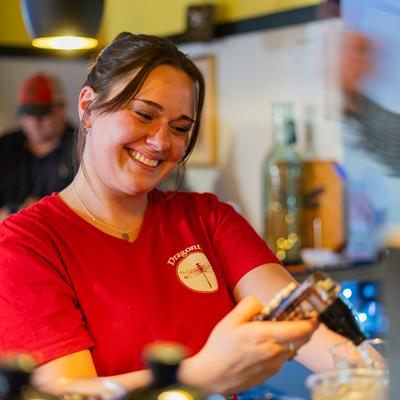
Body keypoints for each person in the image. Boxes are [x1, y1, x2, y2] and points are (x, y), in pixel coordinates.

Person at [0, 33, 344, 397]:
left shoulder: (207, 218)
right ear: (88, 107)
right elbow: (68, 393)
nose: (161, 142)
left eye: (180, 128)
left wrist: (365, 364)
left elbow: (306, 324)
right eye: (144, 114)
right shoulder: (26, 243)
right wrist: (195, 377)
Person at [0, 73, 75, 220]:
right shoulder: (4, 146)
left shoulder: (81, 149)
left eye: (42, 114)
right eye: (28, 114)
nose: (34, 122)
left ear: (62, 107)